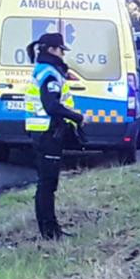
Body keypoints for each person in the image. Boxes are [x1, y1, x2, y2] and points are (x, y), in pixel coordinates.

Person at [24, 32, 85, 240]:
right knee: (48, 184)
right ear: (52, 50)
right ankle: (50, 232)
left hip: (43, 132)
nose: (63, 54)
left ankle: (50, 229)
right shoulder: (49, 74)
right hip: (47, 133)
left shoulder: (45, 70)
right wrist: (77, 117)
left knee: (47, 183)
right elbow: (52, 106)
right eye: (61, 50)